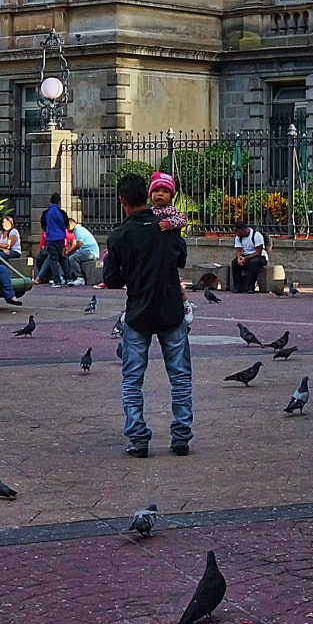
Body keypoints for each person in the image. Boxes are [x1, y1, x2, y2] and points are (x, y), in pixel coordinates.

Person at [103, 171, 192, 458]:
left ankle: (138, 438)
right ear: (147, 196)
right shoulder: (167, 227)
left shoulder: (118, 236)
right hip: (170, 310)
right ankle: (180, 437)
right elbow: (181, 259)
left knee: (132, 378)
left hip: (138, 311)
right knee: (179, 377)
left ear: (122, 201)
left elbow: (113, 280)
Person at [38, 193, 72, 285]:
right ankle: (69, 278)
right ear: (59, 202)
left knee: (54, 260)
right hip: (61, 239)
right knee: (62, 258)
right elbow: (67, 225)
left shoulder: (46, 213)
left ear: (50, 201)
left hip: (51, 239)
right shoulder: (62, 213)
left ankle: (57, 280)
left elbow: (43, 226)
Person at [230, 217, 269, 293]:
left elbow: (258, 252)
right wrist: (239, 258)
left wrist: (246, 258)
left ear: (242, 230)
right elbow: (238, 249)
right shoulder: (238, 237)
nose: (236, 234)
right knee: (234, 263)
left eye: (237, 231)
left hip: (259, 257)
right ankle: (238, 286)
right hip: (246, 256)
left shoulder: (256, 235)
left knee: (253, 263)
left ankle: (251, 286)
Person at [65, 218, 102, 286]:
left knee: (72, 258)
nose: (67, 230)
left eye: (67, 227)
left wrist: (68, 251)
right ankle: (67, 277)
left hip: (91, 252)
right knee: (69, 256)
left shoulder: (79, 230)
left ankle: (80, 278)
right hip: (86, 251)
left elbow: (78, 244)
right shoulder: (78, 230)